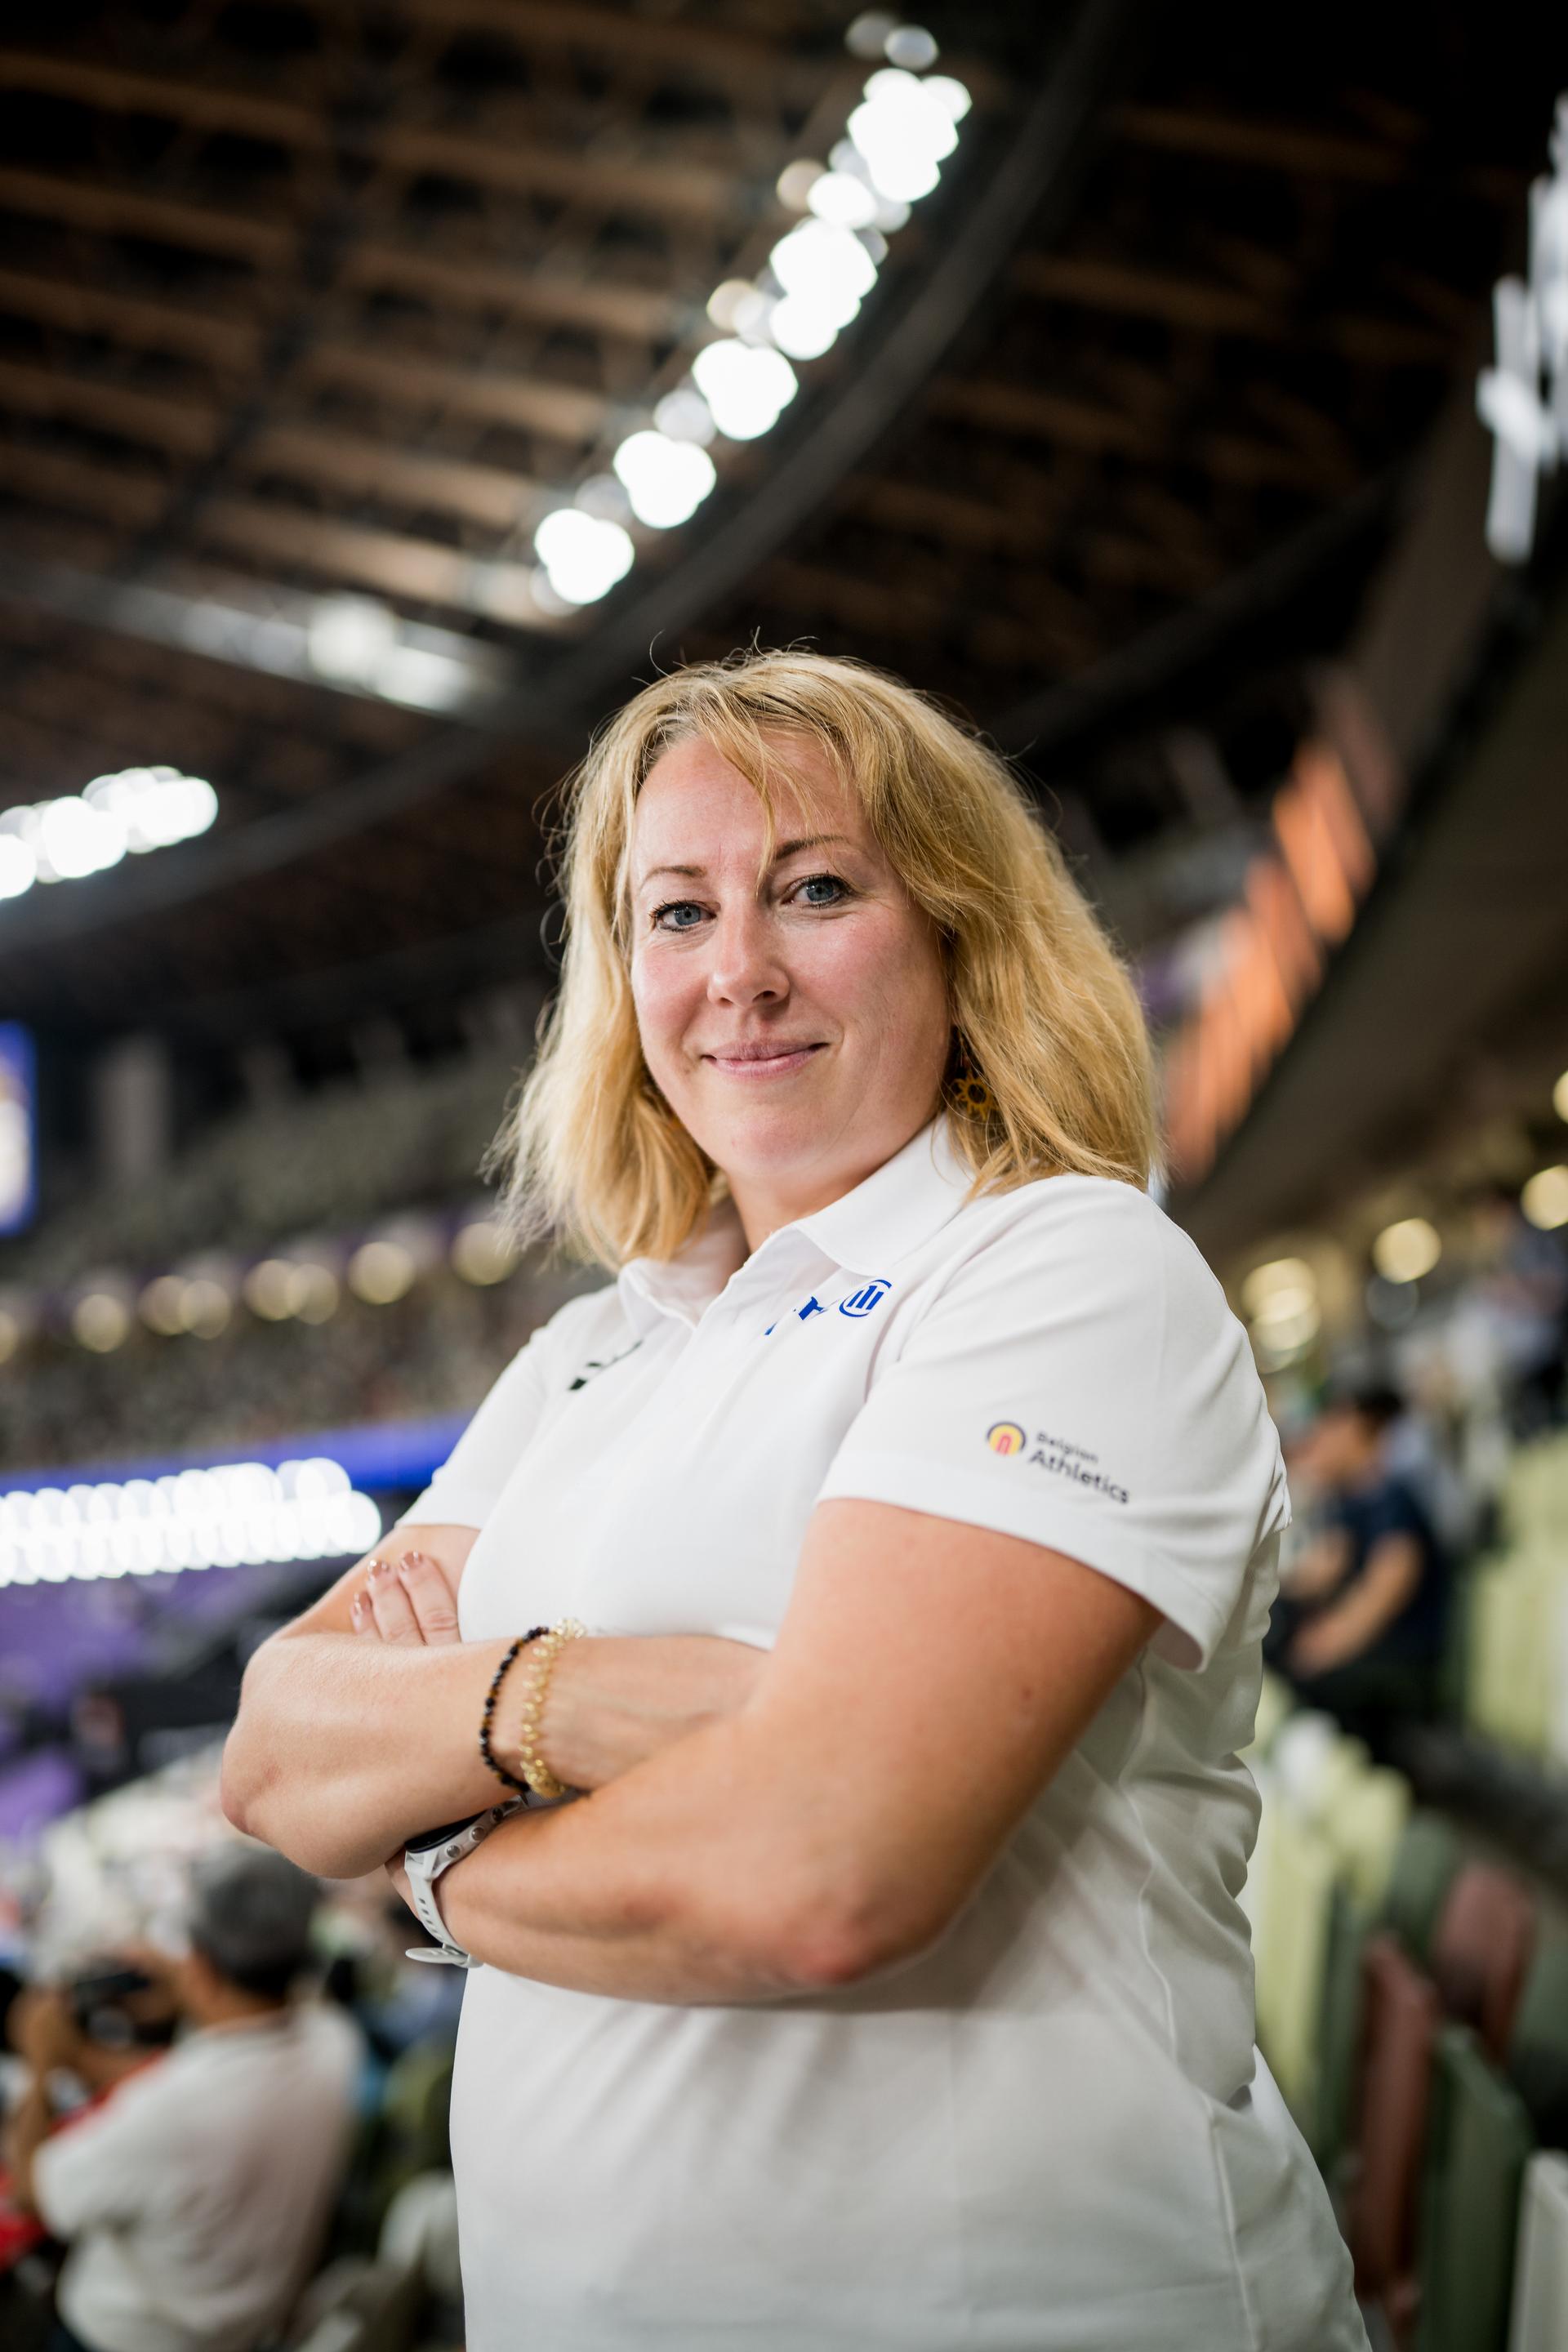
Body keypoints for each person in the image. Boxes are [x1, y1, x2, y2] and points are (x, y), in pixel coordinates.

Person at [224, 650, 1366, 2351]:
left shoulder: (1063, 1271)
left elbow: (825, 1870)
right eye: (675, 914)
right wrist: (573, 1700)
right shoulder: (594, 1347)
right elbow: (276, 1753)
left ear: (961, 934)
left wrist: (435, 1859)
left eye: (815, 889)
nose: (738, 972)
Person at [4, 1844, 359, 2352]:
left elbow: (33, 2194)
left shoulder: (166, 2115)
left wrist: (41, 2065)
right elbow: (226, 2062)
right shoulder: (335, 2041)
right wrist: (187, 1979)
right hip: (252, 2325)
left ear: (202, 1967)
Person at [1269, 1382, 1450, 1755]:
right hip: (1372, 1647)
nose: (1321, 1439)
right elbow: (1324, 1569)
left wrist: (1328, 1642)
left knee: (1307, 1673)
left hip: (1402, 1654)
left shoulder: (1391, 1497)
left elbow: (1387, 1587)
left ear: (1355, 1427)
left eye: (1331, 1426)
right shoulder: (1350, 1500)